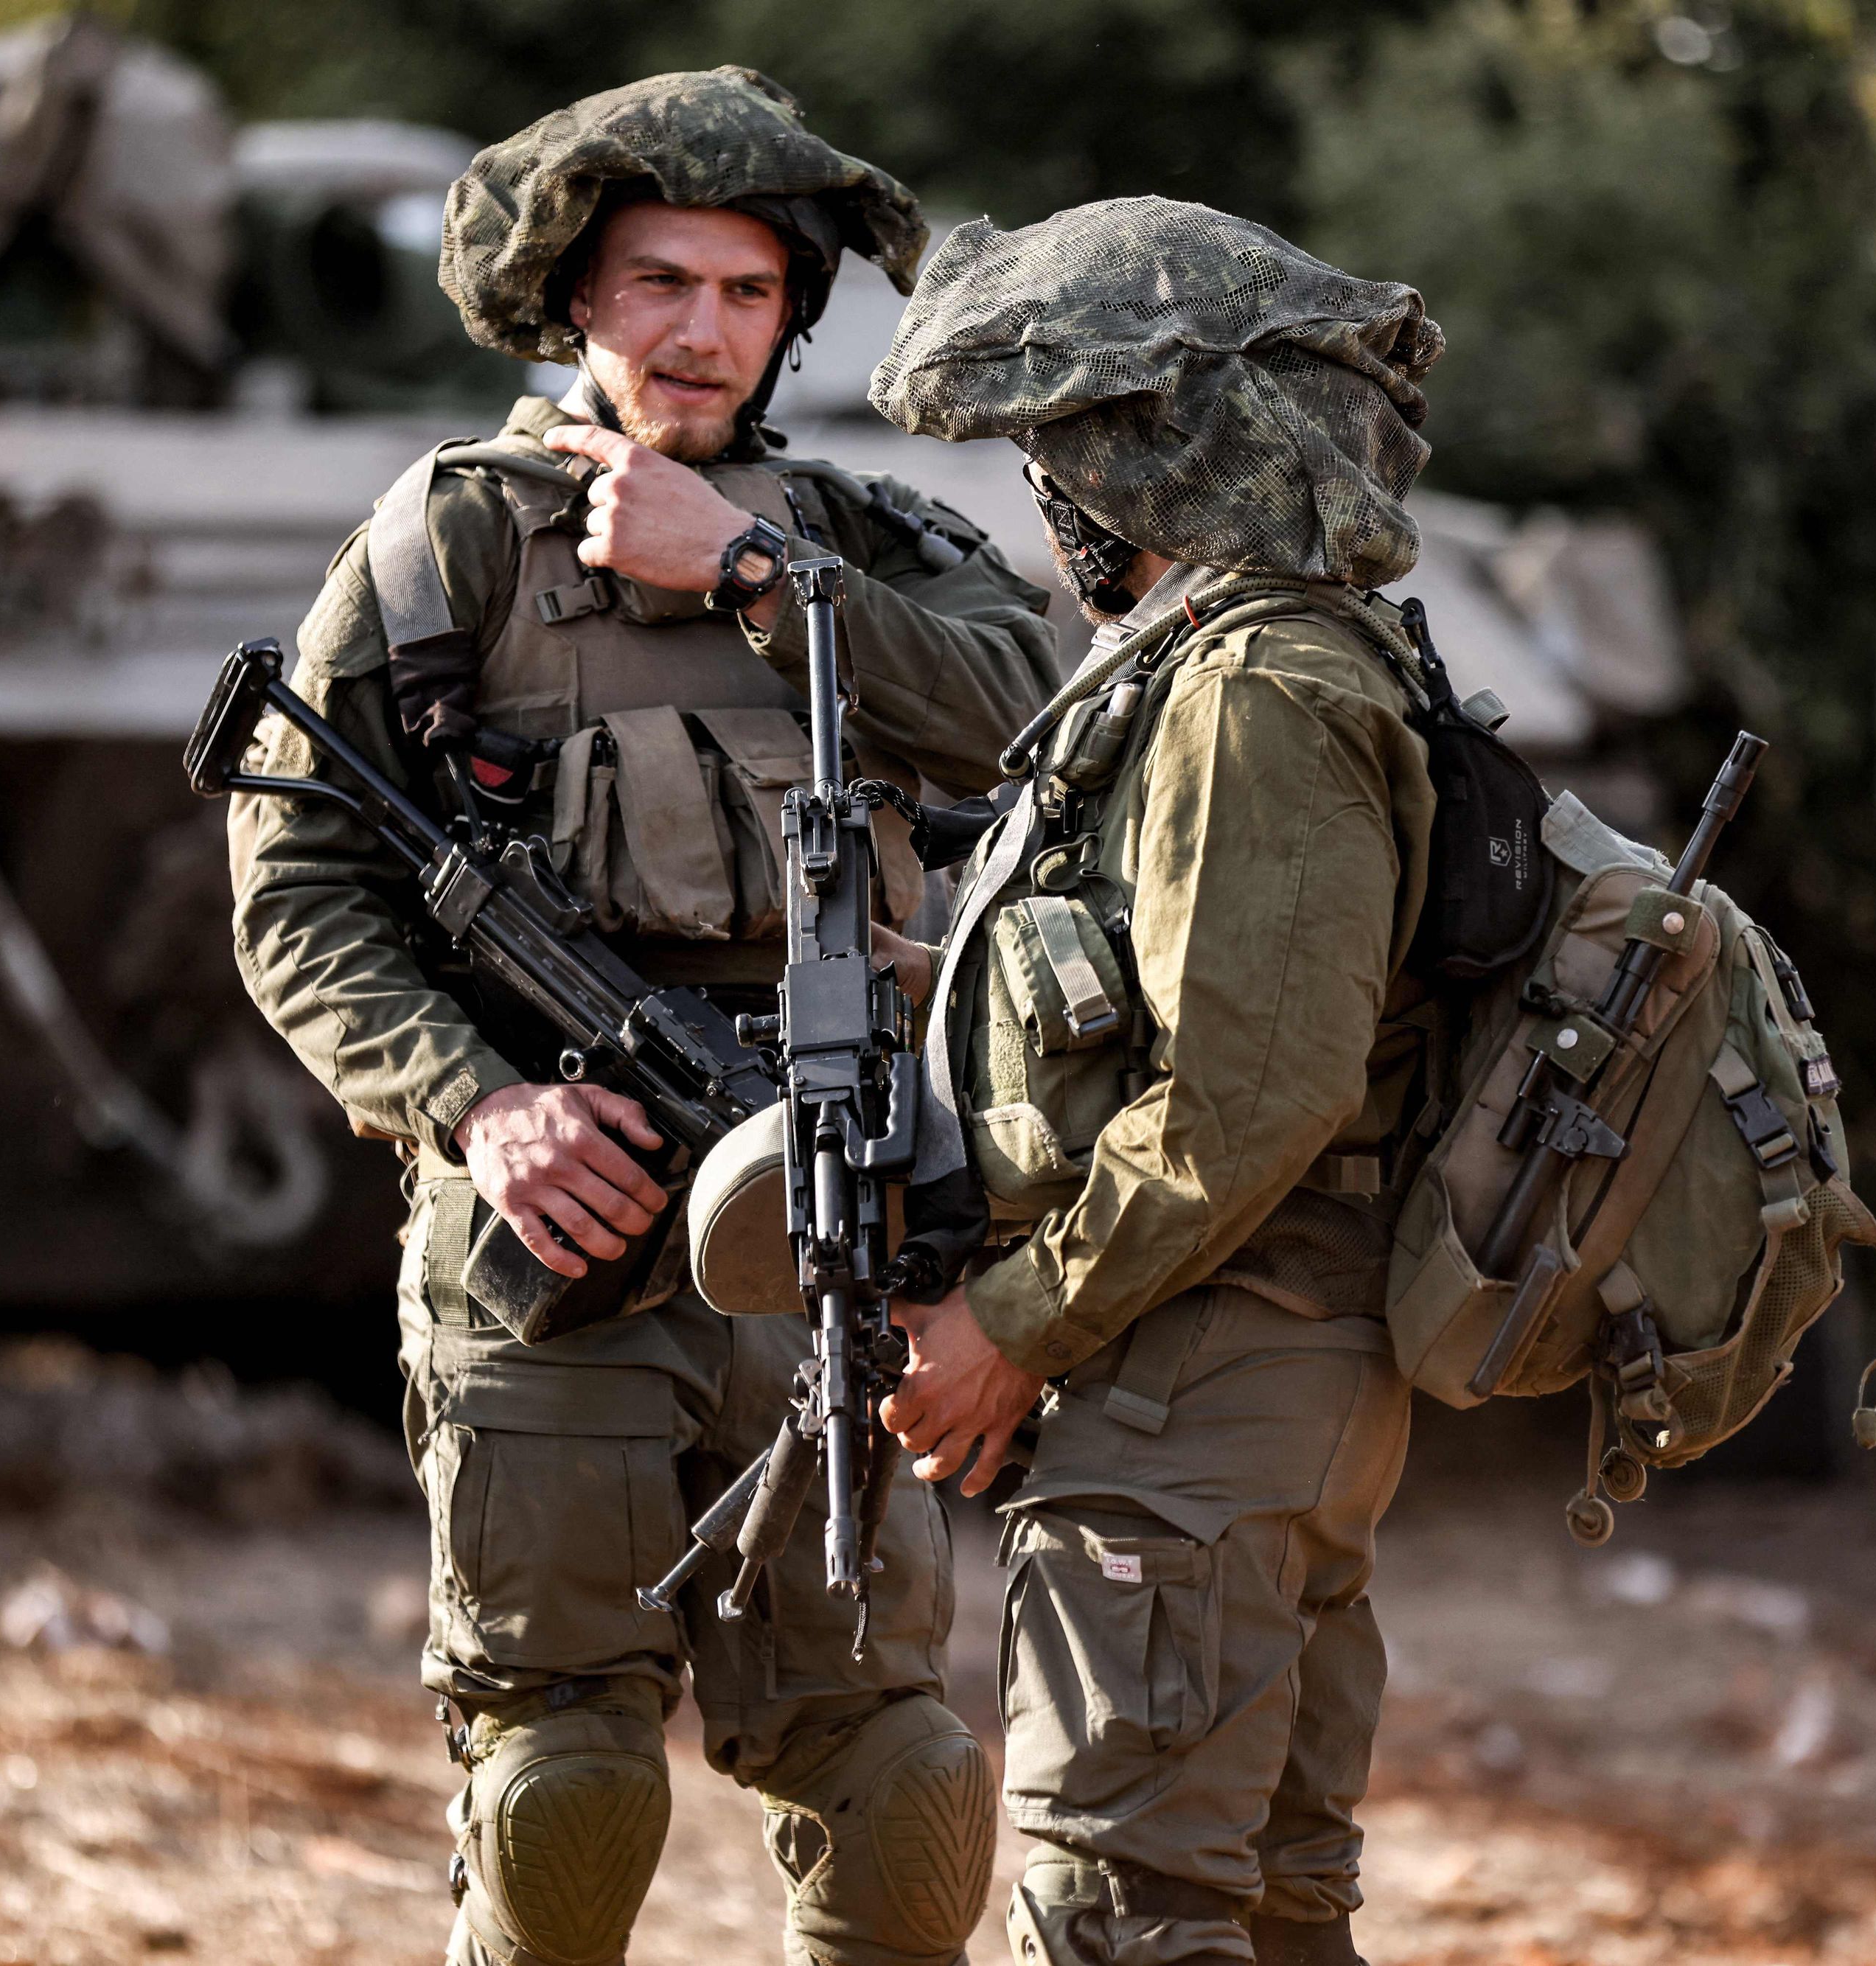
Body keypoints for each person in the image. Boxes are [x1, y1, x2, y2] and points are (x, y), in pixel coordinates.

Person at [229, 67, 1055, 1966]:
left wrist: (757, 576)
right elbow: (298, 893)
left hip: (828, 1241)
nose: (698, 330)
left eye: (746, 294)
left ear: (787, 323)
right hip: (557, 1235)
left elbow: (1036, 720)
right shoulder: (446, 545)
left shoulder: (868, 543)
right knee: (565, 1782)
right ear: (577, 302)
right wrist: (476, 1105)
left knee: (901, 1771)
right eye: (658, 282)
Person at [867, 198, 1450, 1966]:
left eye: (1063, 450)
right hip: (1230, 1378)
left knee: (1123, 1912)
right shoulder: (1227, 668)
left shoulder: (1257, 687)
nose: (1043, 499)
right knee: (1259, 1911)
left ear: (1148, 458)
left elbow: (1245, 1098)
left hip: (1206, 1382)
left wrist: (1016, 1321)